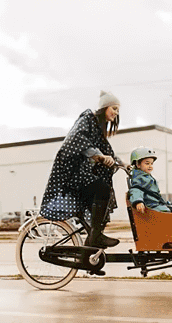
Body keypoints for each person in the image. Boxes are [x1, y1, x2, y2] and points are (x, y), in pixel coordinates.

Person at [40, 92, 121, 250]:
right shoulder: (87, 119)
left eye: (118, 110)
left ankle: (89, 257)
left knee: (99, 214)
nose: (116, 112)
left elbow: (107, 151)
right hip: (70, 174)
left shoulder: (97, 128)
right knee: (102, 189)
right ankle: (96, 237)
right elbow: (77, 139)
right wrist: (99, 156)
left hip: (81, 175)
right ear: (104, 107)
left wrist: (122, 163)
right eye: (114, 108)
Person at [128, 148, 172, 214]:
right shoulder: (139, 178)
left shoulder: (147, 177)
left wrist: (166, 204)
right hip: (151, 207)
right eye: (147, 163)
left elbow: (156, 196)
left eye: (151, 163)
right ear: (138, 164)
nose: (150, 166)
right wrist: (138, 202)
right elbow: (136, 189)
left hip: (157, 205)